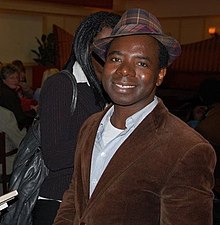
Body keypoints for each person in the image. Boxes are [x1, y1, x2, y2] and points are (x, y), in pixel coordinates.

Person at [53, 8, 216, 225]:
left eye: (141, 63)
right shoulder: (91, 125)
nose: (124, 71)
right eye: (116, 58)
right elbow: (74, 197)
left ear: (160, 74)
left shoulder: (187, 148)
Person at [31, 11, 121, 225]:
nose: (111, 53)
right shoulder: (61, 85)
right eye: (104, 45)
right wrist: (108, 129)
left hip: (99, 201)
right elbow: (54, 156)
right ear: (87, 46)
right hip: (60, 202)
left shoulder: (116, 89)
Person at [0, 64, 36, 130]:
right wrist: (35, 112)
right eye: (12, 78)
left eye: (17, 77)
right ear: (3, 79)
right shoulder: (9, 95)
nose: (16, 80)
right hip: (15, 132)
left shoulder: (3, 91)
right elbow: (21, 119)